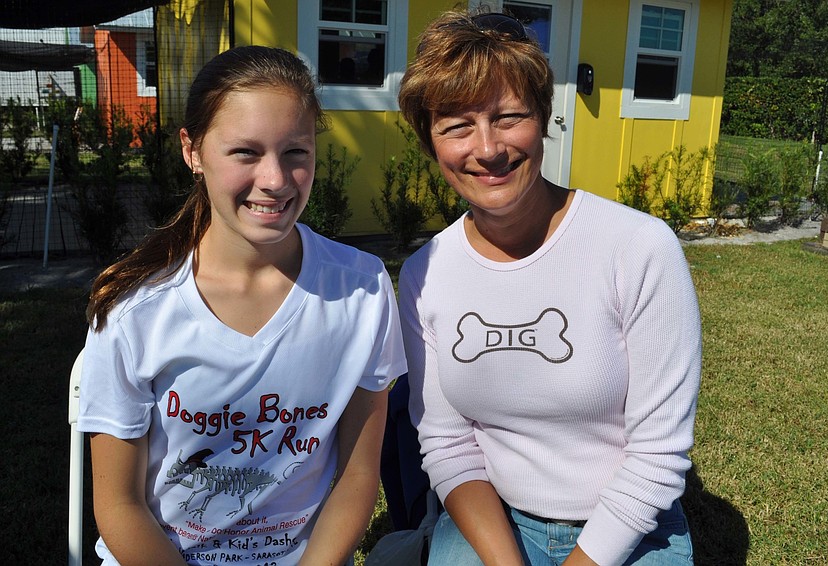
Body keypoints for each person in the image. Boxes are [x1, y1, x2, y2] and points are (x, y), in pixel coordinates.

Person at [77, 45, 407, 566]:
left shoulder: (362, 291)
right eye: (245, 153)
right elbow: (119, 504)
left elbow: (359, 473)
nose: (274, 180)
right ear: (193, 151)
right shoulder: (136, 310)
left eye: (295, 151)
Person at [397, 9, 701, 566]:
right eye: (456, 126)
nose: (487, 149)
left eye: (509, 116)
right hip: (493, 520)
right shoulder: (425, 274)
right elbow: (446, 444)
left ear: (542, 117)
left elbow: (658, 453)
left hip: (631, 528)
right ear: (430, 142)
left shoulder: (638, 248)